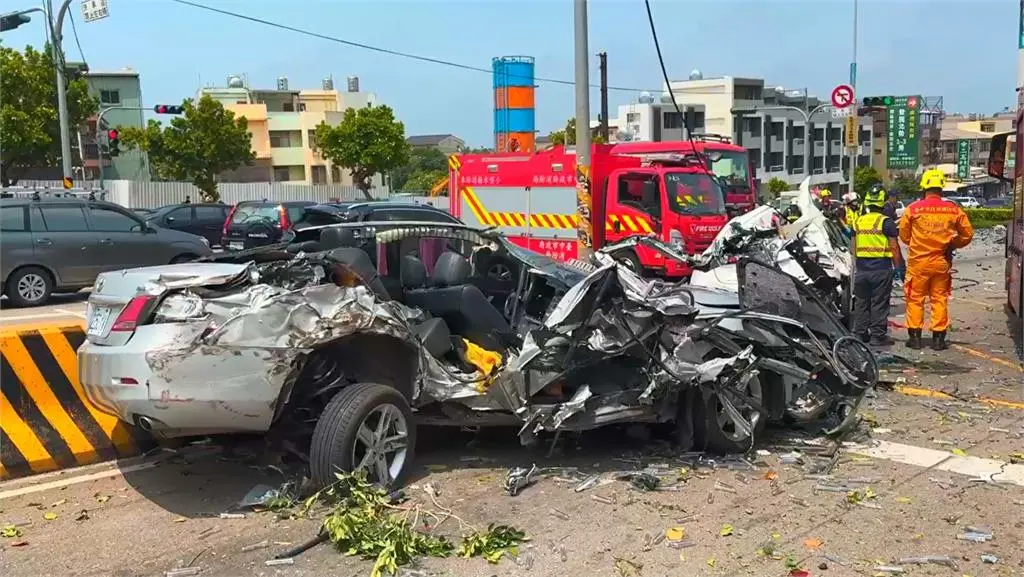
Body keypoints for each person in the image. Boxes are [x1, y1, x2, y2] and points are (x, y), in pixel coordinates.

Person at [898, 169, 974, 350]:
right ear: (941, 188)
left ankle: (915, 338)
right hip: (941, 261)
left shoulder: (913, 209)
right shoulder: (953, 209)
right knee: (939, 299)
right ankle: (938, 340)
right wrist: (952, 244)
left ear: (924, 187)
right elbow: (967, 234)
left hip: (918, 263)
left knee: (915, 299)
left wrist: (918, 245)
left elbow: (904, 235)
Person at [852, 186, 902, 345]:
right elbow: (894, 247)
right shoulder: (886, 222)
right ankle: (877, 335)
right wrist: (899, 267)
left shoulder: (858, 221)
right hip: (880, 268)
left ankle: (860, 333)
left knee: (861, 302)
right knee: (879, 302)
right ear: (882, 202)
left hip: (861, 269)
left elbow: (853, 245)